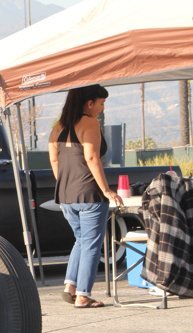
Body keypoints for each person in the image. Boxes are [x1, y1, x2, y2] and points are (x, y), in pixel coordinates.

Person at [49, 84, 123, 309]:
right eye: (101, 103)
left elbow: (54, 160)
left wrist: (66, 185)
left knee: (81, 240)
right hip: (89, 194)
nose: (102, 108)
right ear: (89, 103)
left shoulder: (58, 126)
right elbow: (92, 158)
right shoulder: (90, 123)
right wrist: (107, 190)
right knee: (91, 244)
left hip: (66, 195)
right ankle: (83, 295)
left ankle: (70, 286)